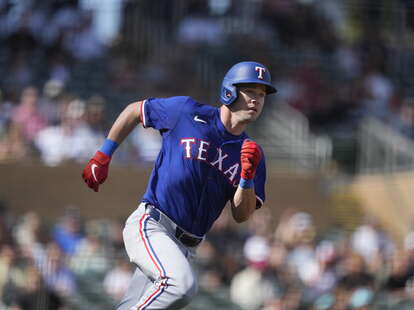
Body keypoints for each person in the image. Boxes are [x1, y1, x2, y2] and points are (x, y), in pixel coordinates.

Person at [81, 61, 277, 309]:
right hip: (152, 224)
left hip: (186, 246)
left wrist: (246, 178)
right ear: (230, 90)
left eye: (262, 95)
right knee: (181, 285)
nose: (256, 100)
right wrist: (104, 153)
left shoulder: (251, 153)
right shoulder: (186, 111)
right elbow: (135, 110)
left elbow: (242, 214)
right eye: (250, 90)